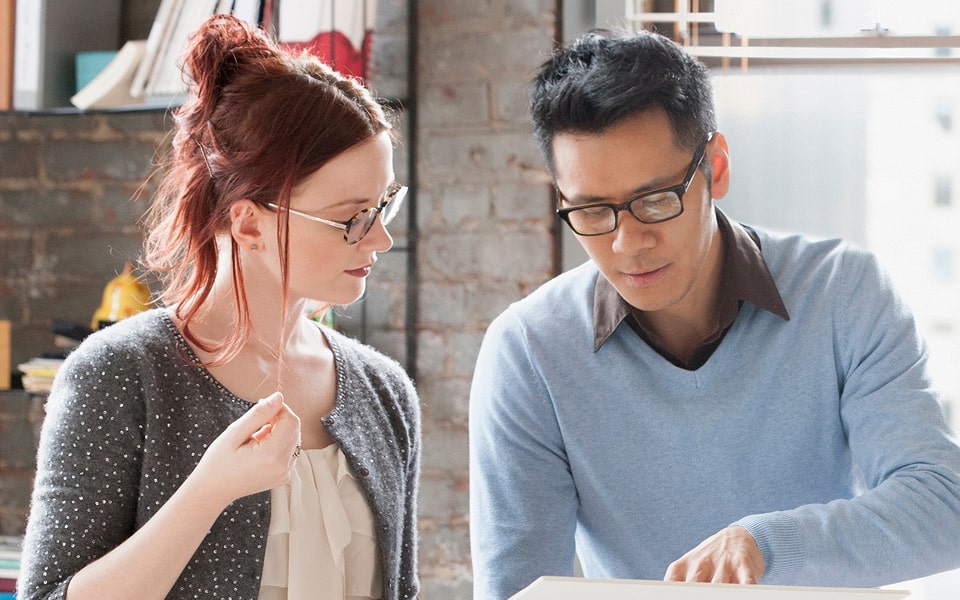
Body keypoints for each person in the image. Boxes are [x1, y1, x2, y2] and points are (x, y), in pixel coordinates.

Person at [469, 28, 960, 599]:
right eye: (594, 210)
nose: (628, 243)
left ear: (716, 168)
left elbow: (943, 505)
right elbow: (516, 591)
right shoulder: (528, 350)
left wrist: (767, 544)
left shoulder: (843, 291)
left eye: (656, 201)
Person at [19, 14, 420, 600]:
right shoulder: (122, 375)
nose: (380, 239)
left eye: (384, 206)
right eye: (351, 217)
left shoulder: (383, 392)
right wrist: (208, 490)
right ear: (248, 222)